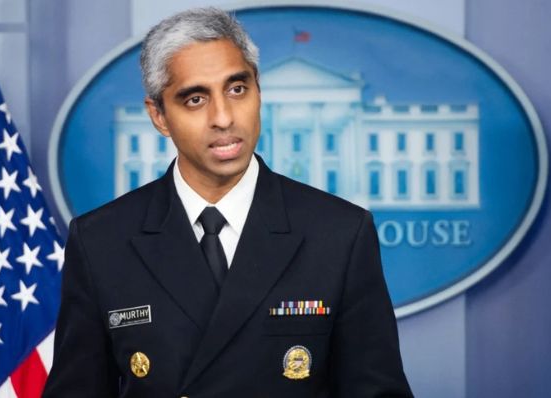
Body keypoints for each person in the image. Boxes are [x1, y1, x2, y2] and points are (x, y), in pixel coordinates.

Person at [43, 7, 412, 397]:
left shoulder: (339, 234)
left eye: (237, 89)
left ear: (258, 91)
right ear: (159, 116)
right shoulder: (102, 241)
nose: (223, 117)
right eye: (195, 99)